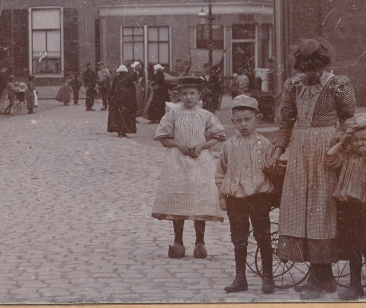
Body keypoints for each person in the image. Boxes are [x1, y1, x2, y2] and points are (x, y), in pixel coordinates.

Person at [271, 37, 355, 299]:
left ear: (323, 63)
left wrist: (339, 144)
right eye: (306, 68)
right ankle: (318, 274)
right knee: (300, 208)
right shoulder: (292, 85)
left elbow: (349, 118)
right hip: (300, 151)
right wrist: (279, 149)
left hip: (326, 150)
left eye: (315, 68)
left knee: (322, 208)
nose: (311, 74)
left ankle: (322, 275)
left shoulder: (338, 84)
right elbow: (286, 120)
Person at [151, 76, 226, 259]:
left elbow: (217, 137)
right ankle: (178, 242)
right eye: (184, 94)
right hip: (178, 162)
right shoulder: (173, 114)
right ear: (179, 95)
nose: (189, 97)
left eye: (193, 93)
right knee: (179, 197)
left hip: (200, 162)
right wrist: (177, 144)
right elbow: (163, 138)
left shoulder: (206, 115)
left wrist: (202, 146)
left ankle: (200, 243)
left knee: (200, 198)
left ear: (199, 94)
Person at [217, 95, 276, 295]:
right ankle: (240, 278)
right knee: (239, 237)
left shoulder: (266, 144)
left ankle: (268, 277)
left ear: (257, 119)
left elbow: (272, 171)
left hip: (259, 197)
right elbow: (221, 172)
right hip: (236, 199)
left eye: (247, 119)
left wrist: (273, 167)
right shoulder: (229, 146)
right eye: (239, 120)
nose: (243, 125)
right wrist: (222, 195)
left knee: (263, 236)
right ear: (233, 121)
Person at [325, 112, 366, 300]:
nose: (360, 143)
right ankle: (355, 285)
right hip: (349, 207)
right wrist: (343, 142)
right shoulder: (347, 156)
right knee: (353, 248)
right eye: (355, 140)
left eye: (364, 139)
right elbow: (330, 158)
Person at [107, 65, 137, 138]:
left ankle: (119, 130)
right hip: (127, 99)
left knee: (118, 114)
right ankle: (124, 130)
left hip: (118, 98)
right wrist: (132, 99)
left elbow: (112, 89)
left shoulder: (116, 78)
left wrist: (109, 98)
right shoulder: (129, 78)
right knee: (126, 114)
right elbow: (133, 90)